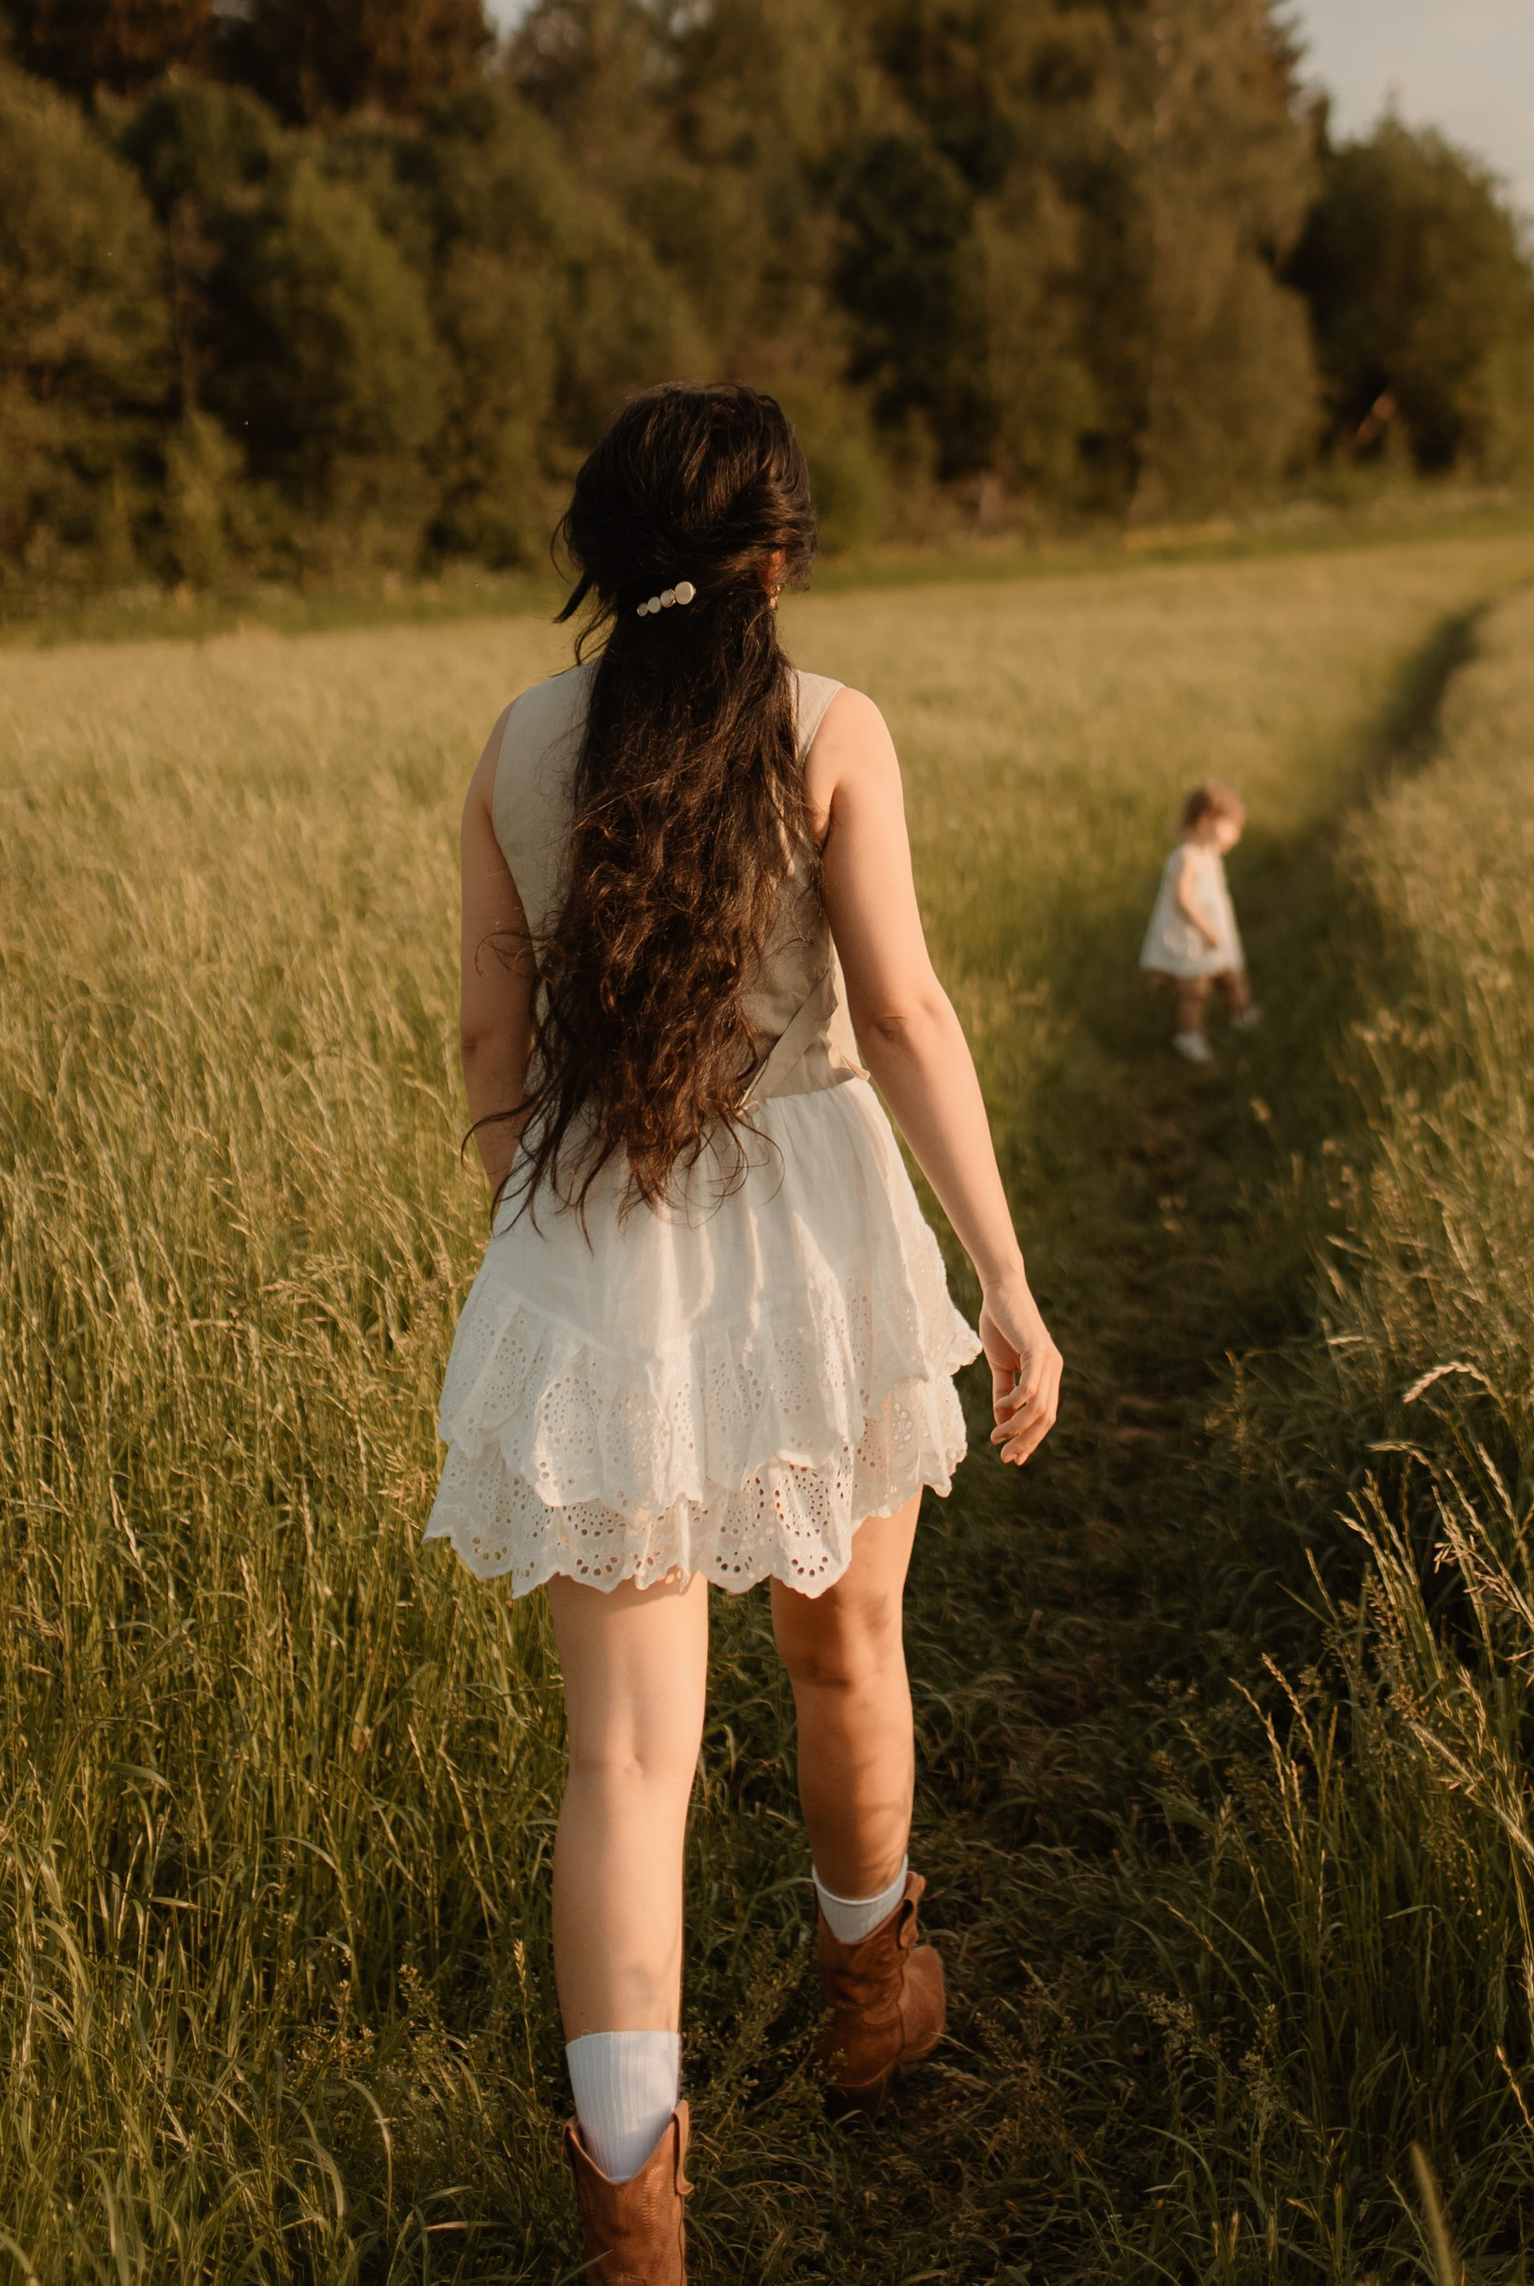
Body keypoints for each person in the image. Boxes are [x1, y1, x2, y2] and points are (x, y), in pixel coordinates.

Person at [424, 383, 1062, 2282]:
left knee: (623, 1762)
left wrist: (536, 1210)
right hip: (826, 1248)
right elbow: (909, 1015)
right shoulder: (830, 728)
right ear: (779, 552)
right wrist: (1006, 1281)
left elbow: (486, 1035)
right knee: (844, 1645)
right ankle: (873, 2007)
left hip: (594, 1228)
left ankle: (636, 2217)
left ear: (601, 556)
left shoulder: (519, 745)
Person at [1138, 779, 1253, 1064]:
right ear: (1205, 821)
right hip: (1194, 937)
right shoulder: (1186, 857)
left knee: (1232, 974)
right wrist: (1206, 928)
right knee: (1197, 990)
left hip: (1214, 933)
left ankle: (1242, 1016)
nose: (1236, 836)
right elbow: (1182, 898)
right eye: (1232, 828)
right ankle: (1189, 1037)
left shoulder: (1208, 854)